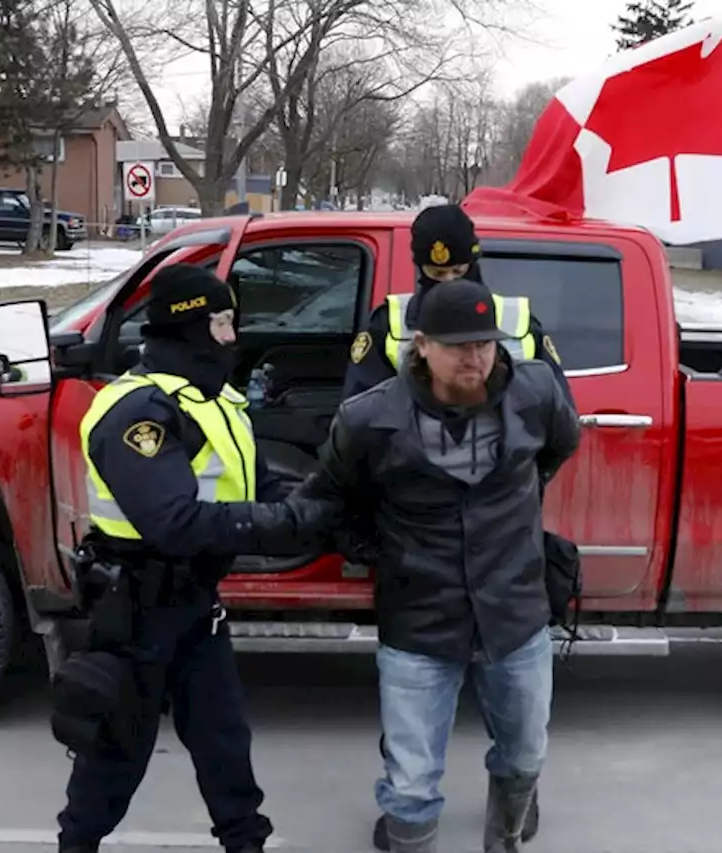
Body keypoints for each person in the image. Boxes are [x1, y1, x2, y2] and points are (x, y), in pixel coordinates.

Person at [51, 264, 339, 853]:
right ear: (192, 329)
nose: (236, 334)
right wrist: (278, 526)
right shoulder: (136, 411)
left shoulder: (215, 401)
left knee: (223, 741)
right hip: (137, 605)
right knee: (116, 753)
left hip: (194, 603)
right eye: (225, 322)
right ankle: (76, 846)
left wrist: (317, 510)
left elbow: (254, 483)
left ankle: (245, 843)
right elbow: (173, 521)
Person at [299, 276, 581, 853]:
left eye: (484, 343)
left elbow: (555, 451)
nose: (474, 357)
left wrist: (506, 520)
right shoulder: (369, 418)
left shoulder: (536, 394)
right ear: (421, 344)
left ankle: (505, 831)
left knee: (526, 751)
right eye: (458, 345)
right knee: (409, 782)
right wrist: (379, 552)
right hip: (420, 620)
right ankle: (408, 836)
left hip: (515, 613)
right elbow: (328, 498)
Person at [341, 201, 571, 405]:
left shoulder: (519, 322)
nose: (449, 282)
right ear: (421, 269)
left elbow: (558, 414)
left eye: (458, 271)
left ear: (473, 265)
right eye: (437, 273)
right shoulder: (389, 324)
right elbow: (360, 418)